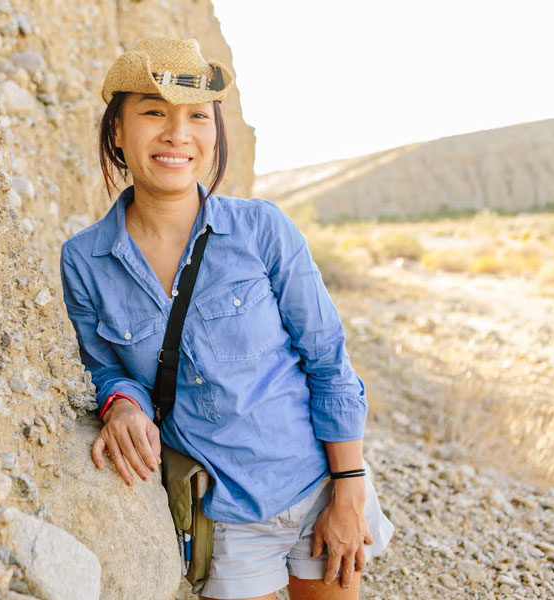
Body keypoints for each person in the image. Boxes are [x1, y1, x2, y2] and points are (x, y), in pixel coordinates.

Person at [59, 37, 394, 600]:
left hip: (316, 486)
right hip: (224, 516)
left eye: (197, 117)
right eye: (153, 113)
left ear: (215, 132)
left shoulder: (263, 229)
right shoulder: (83, 261)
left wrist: (349, 490)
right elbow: (108, 370)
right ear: (117, 129)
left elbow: (328, 362)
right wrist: (121, 405)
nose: (177, 134)